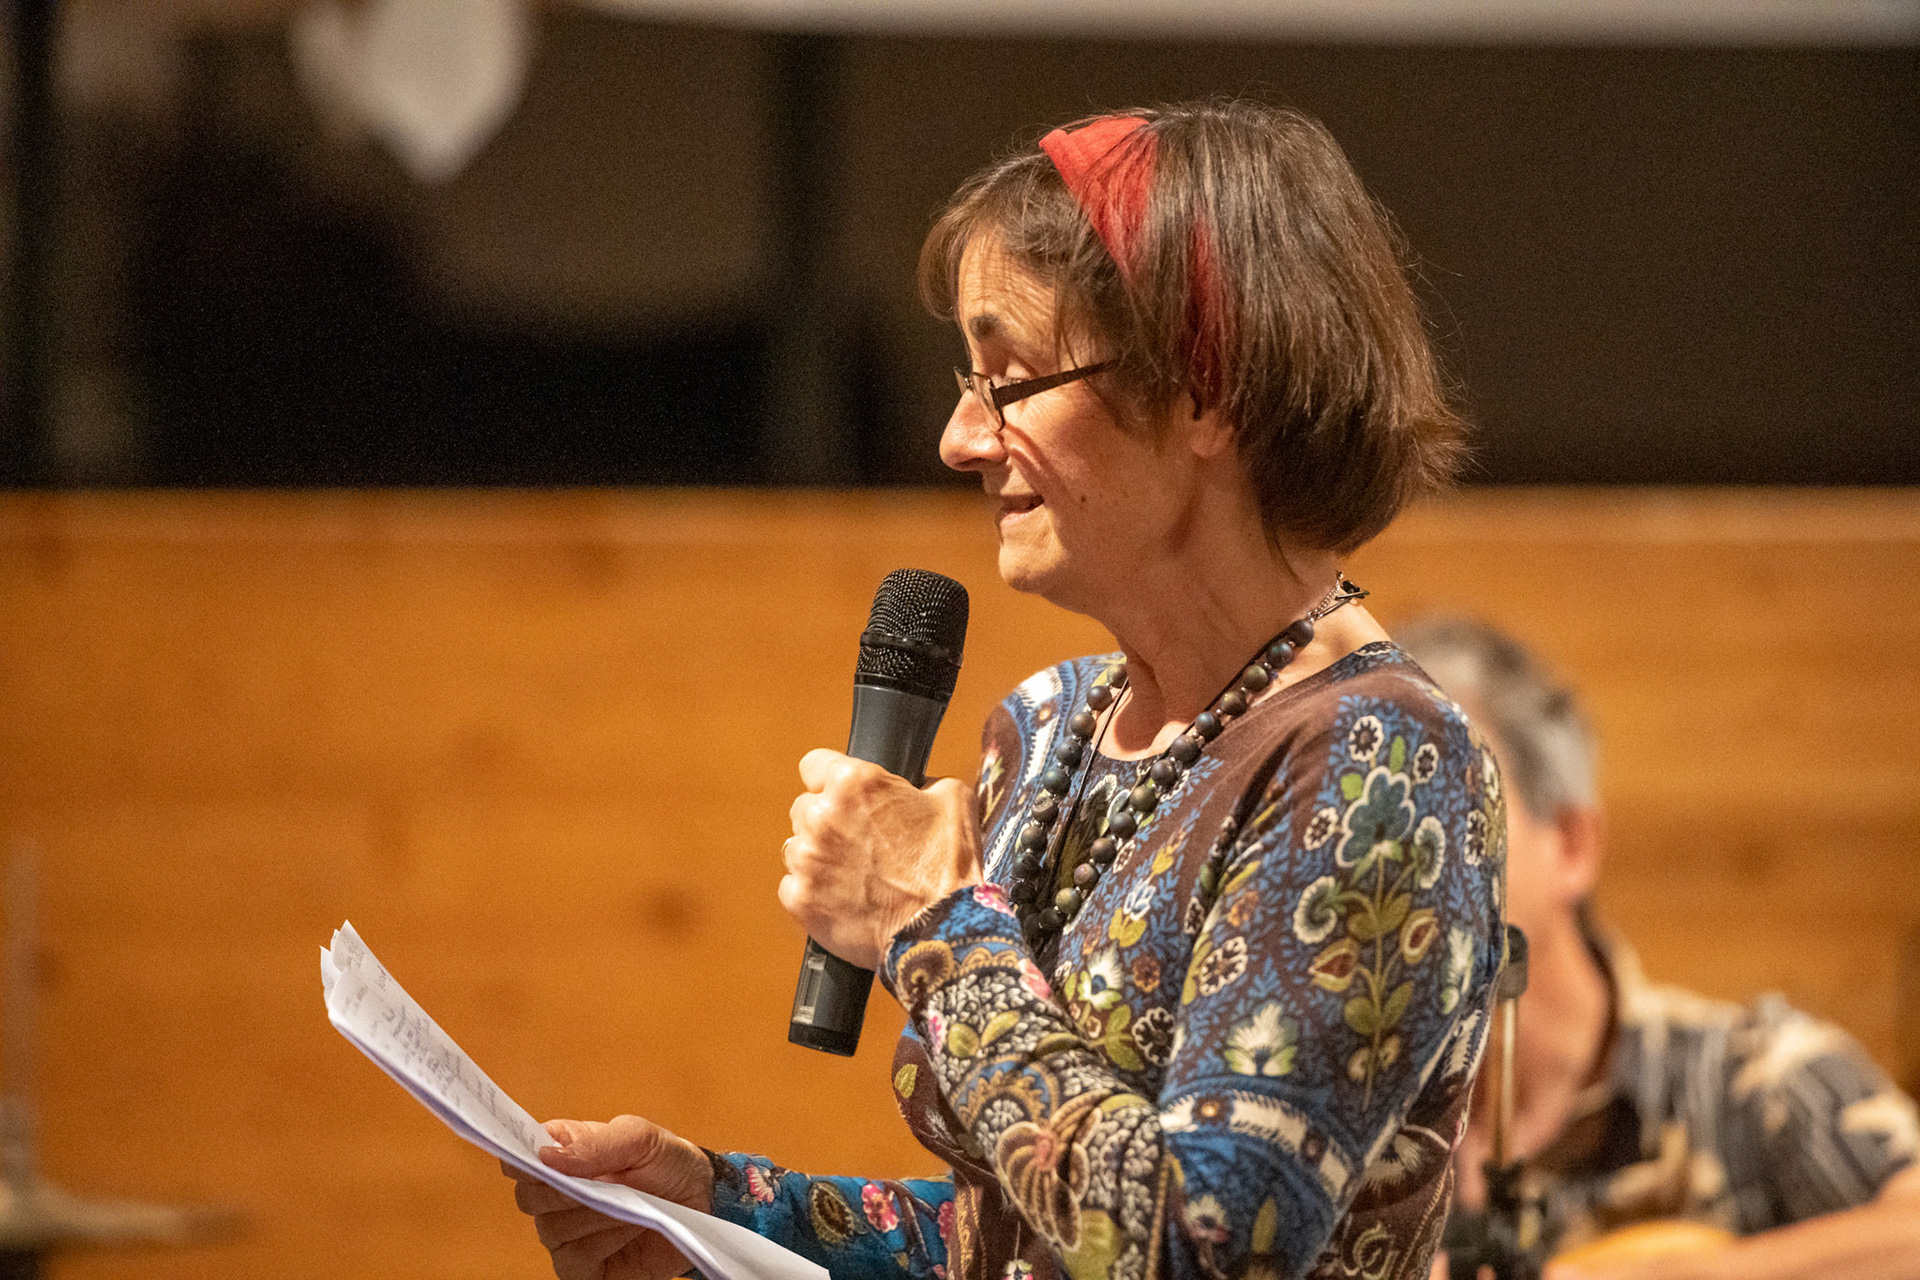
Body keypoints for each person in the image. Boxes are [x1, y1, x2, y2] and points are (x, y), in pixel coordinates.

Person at [505, 102, 1509, 1280]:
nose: (957, 438)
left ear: (1205, 392)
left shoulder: (1378, 760)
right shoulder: (1049, 726)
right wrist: (724, 1215)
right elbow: (1013, 1236)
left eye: (1012, 380)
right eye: (966, 380)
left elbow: (1196, 1249)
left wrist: (935, 922)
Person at [1394, 617, 1920, 1280]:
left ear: (1571, 844)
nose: (1403, 863)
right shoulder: (1337, 1125)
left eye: (1446, 813)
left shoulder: (1751, 1079)